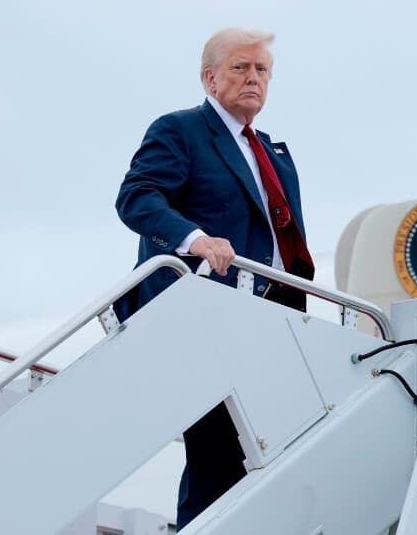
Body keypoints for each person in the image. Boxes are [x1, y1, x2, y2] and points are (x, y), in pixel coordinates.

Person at [114, 27, 314, 530]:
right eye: (240, 68)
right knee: (216, 453)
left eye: (262, 70)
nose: (253, 79)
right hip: (203, 313)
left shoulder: (273, 152)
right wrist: (195, 239)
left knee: (259, 456)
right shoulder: (180, 130)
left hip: (269, 318)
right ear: (210, 78)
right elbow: (137, 198)